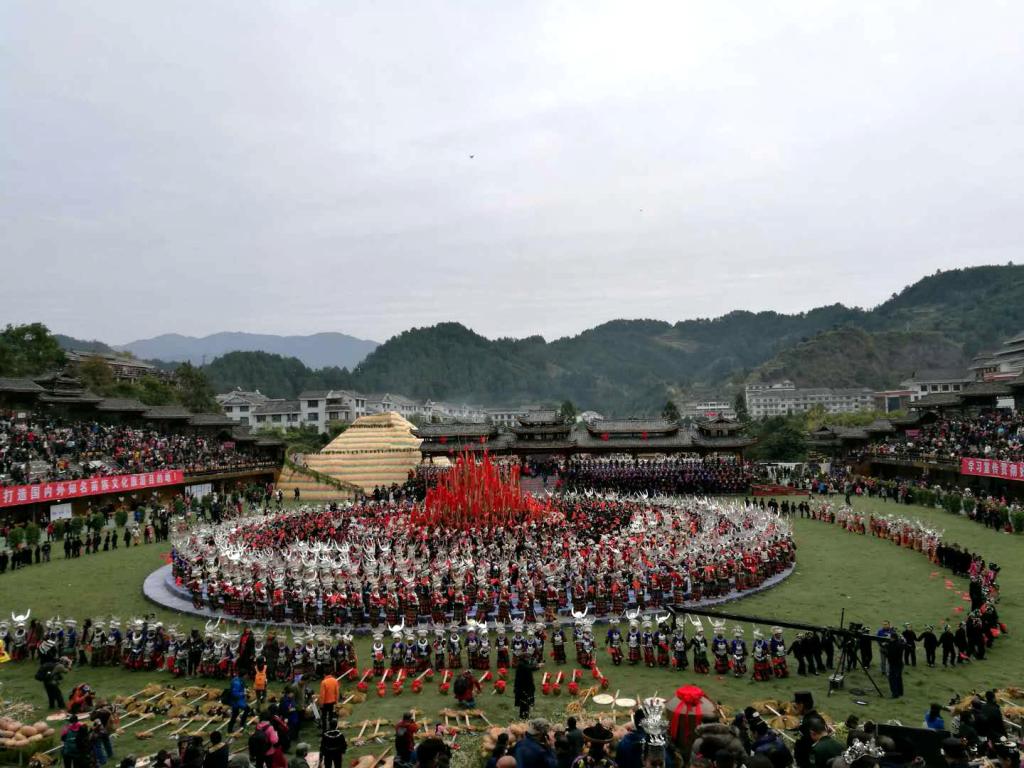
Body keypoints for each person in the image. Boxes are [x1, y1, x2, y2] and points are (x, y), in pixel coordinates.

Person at [793, 692, 819, 768]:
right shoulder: (818, 717)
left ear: (801, 705)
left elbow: (802, 745)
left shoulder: (805, 723)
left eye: (796, 706)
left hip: (806, 762)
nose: (795, 708)